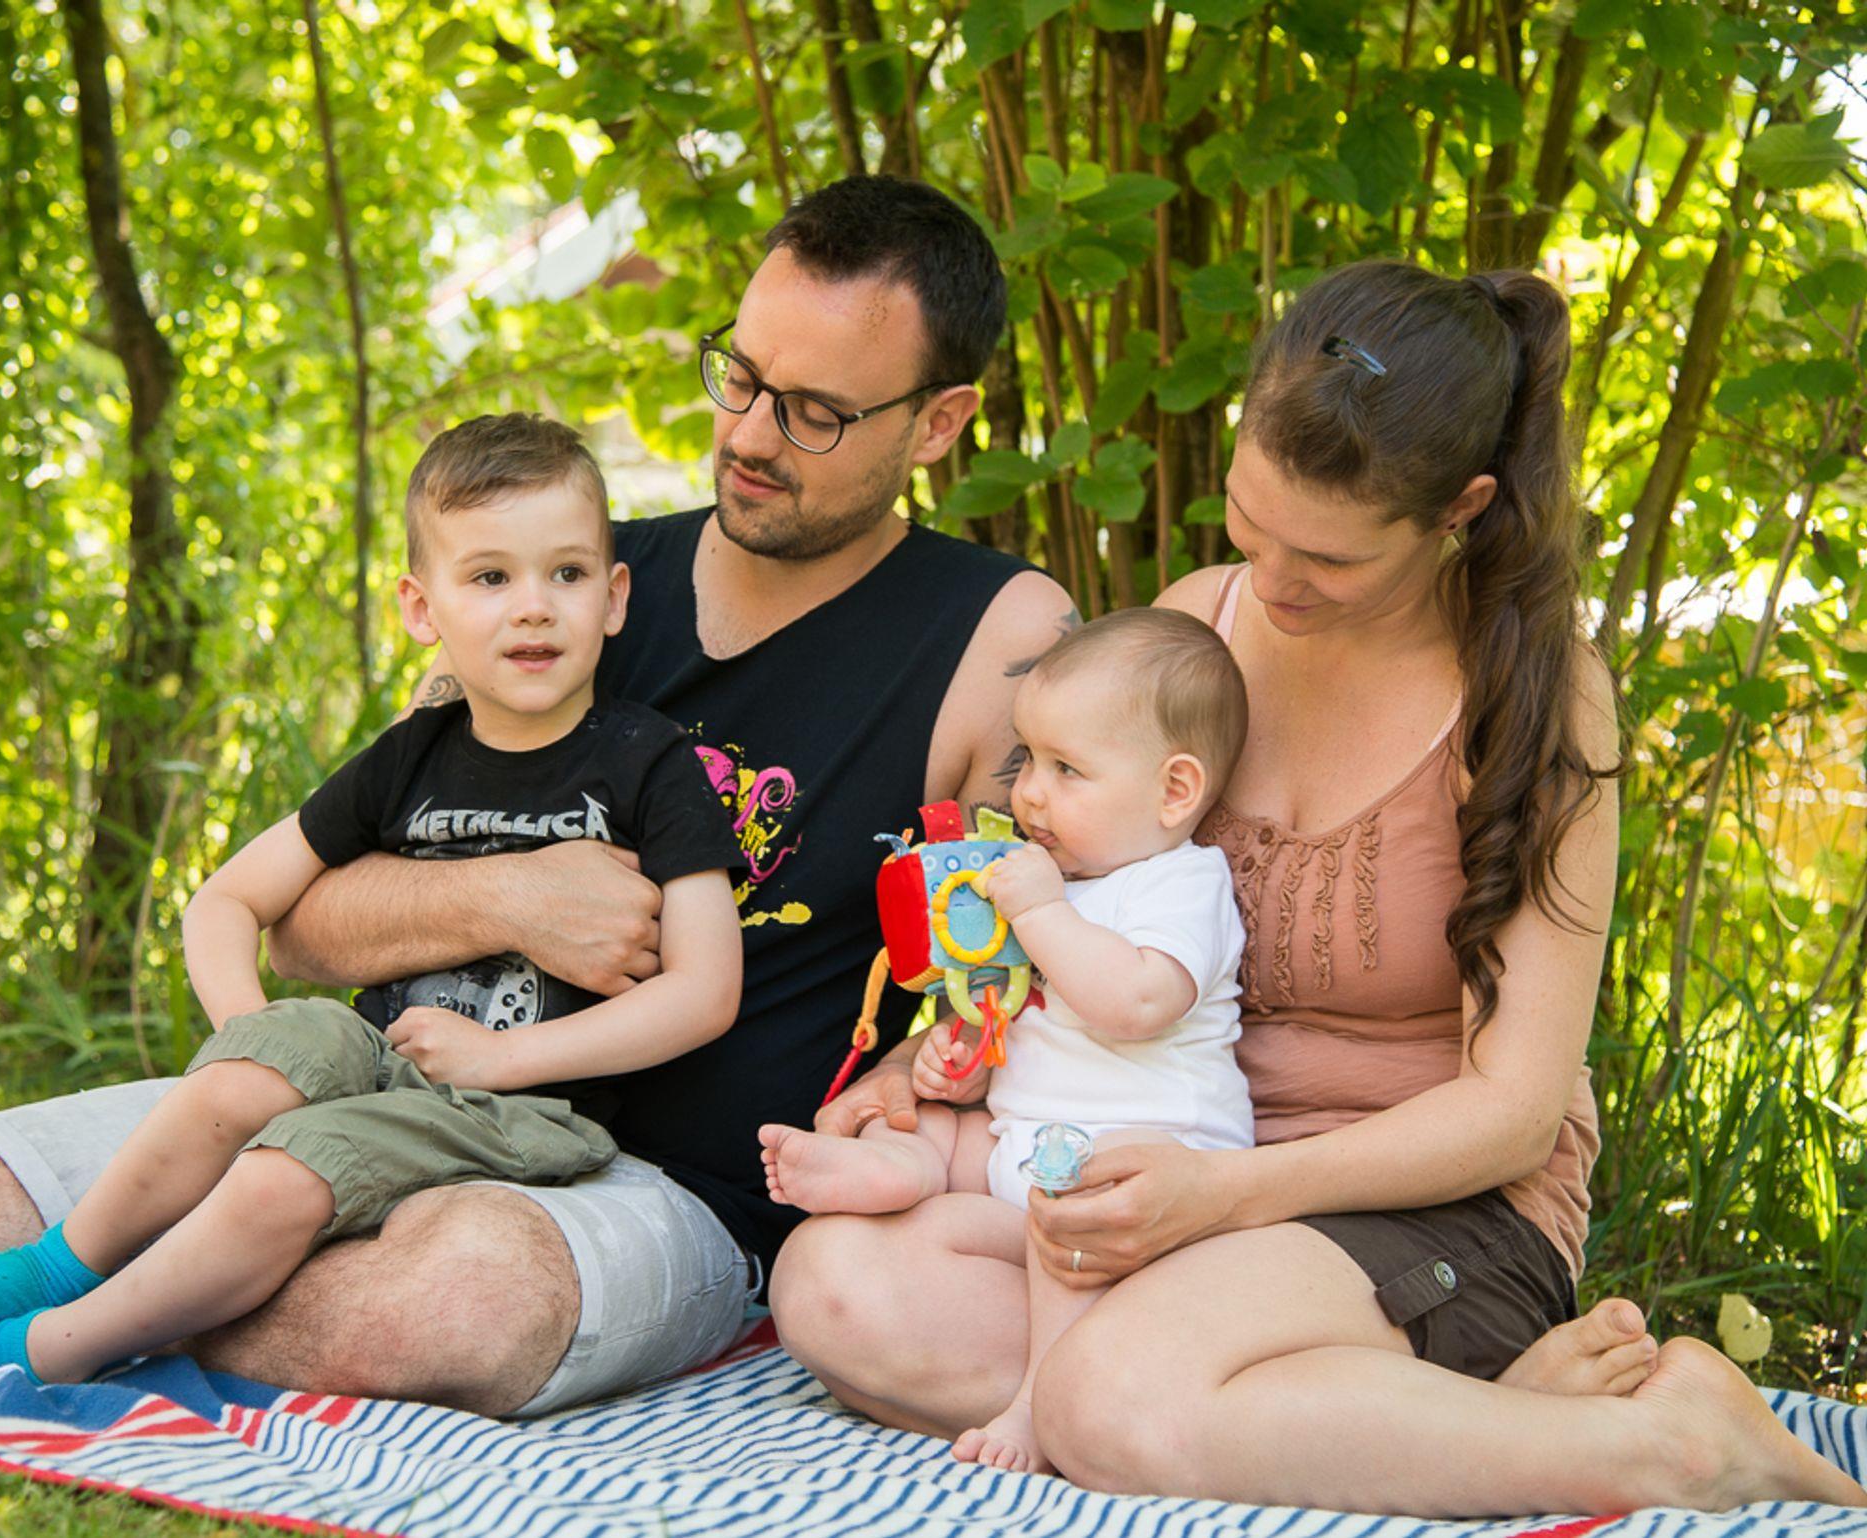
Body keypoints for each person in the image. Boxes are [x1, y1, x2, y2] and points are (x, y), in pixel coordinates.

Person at [0, 174, 1079, 1416]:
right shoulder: (559, 584)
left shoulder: (993, 640)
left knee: (454, 1293)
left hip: (662, 1188)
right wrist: (512, 897)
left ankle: (66, 1317)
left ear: (936, 423)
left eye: (812, 413)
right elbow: (306, 921)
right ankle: (72, 1288)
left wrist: (911, 1072)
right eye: (739, 377)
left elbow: (1038, 966)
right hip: (379, 1087)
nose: (747, 434)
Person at [769, 260, 1867, 1512]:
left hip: (1429, 1205)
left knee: (1112, 1397)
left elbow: (1512, 1114)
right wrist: (929, 1059)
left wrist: (1224, 1196)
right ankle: (1458, 1412)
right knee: (837, 1287)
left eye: (1328, 558)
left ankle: (1675, 1443)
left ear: (1457, 509)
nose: (1274, 581)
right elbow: (1080, 903)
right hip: (1180, 1167)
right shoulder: (1198, 625)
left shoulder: (1534, 698)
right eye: (1251, 527)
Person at [0, 413, 745, 1386]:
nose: (533, 608)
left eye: (565, 574)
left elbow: (704, 991)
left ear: (613, 598)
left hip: (524, 1104)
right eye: (489, 577)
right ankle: (43, 1269)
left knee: (291, 1163)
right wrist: (252, 1044)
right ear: (420, 608)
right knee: (258, 1070)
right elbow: (227, 901)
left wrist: (504, 1056)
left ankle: (51, 1346)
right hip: (378, 1067)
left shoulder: (651, 766)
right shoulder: (407, 758)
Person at [758, 608, 1255, 1474]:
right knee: (938, 1124)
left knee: (1064, 1228)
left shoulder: (1179, 884)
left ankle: (1035, 1404)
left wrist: (1041, 912)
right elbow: (1022, 1018)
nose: (1028, 793)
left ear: (1175, 791)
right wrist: (960, 1060)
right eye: (1027, 759)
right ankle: (895, 1170)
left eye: (1068, 770)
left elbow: (1136, 1002)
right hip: (1031, 1145)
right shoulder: (1055, 882)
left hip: (1139, 1171)